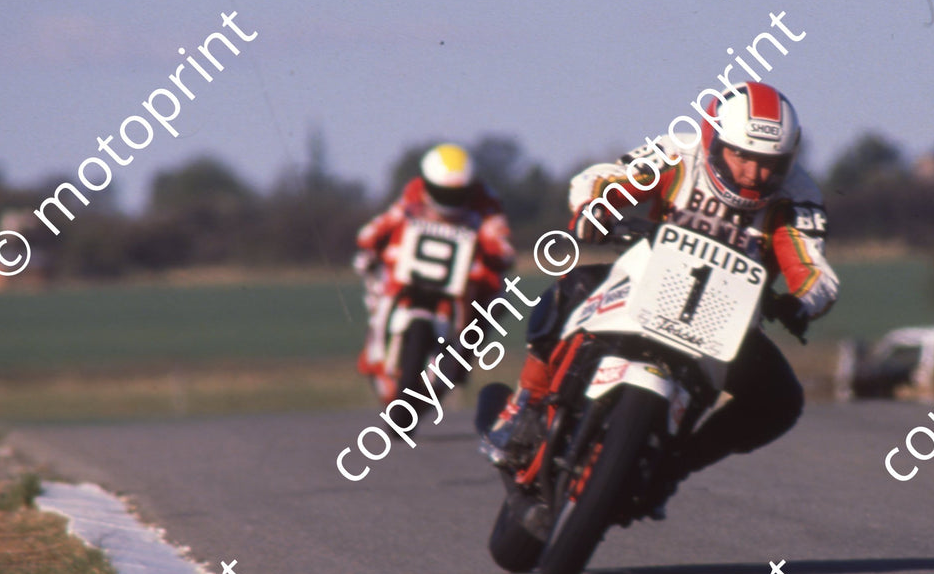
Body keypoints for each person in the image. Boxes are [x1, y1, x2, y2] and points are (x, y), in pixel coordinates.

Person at [481, 81, 839, 514]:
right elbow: (602, 180)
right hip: (643, 285)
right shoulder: (677, 154)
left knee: (782, 401)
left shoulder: (797, 196)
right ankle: (526, 407)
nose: (753, 174)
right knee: (570, 288)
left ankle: (674, 465)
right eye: (741, 155)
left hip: (727, 322)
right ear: (713, 139)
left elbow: (813, 269)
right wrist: (596, 209)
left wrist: (800, 302)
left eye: (769, 163)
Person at [354, 143, 515, 404]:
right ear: (428, 183)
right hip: (412, 266)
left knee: (496, 297)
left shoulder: (485, 200)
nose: (449, 200)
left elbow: (499, 239)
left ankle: (461, 359)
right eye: (442, 192)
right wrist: (370, 241)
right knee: (374, 277)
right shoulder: (414, 191)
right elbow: (387, 221)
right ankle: (376, 346)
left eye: (456, 193)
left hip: (461, 273)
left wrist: (497, 249)